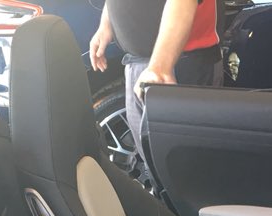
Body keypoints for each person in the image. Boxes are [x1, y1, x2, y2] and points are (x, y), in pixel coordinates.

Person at [90, 0, 222, 175]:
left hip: (179, 64)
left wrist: (160, 66)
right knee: (156, 167)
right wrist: (106, 24)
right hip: (142, 64)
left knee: (189, 172)